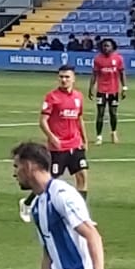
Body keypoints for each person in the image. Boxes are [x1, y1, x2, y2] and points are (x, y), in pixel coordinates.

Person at [40, 64, 89, 199]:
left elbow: (79, 119)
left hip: (75, 143)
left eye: (67, 77)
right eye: (61, 77)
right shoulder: (52, 97)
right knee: (49, 180)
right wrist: (52, 137)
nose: (64, 80)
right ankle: (28, 203)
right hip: (59, 146)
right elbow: (43, 121)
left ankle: (81, 210)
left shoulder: (78, 96)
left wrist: (84, 140)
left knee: (82, 176)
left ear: (74, 78)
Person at [89, 39, 127, 146]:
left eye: (108, 46)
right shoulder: (98, 59)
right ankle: (99, 136)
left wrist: (124, 88)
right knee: (100, 113)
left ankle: (113, 133)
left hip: (113, 91)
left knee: (113, 113)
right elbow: (94, 74)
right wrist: (91, 88)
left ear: (112, 47)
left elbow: (122, 73)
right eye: (104, 46)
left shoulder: (118, 58)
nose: (106, 48)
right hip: (101, 91)